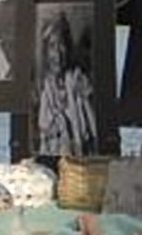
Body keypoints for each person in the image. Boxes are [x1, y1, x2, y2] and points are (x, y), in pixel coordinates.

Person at [35, 10, 98, 156]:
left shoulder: (77, 79)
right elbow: (44, 130)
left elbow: (94, 130)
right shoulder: (46, 87)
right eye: (52, 46)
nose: (57, 53)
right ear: (46, 51)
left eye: (62, 45)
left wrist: (84, 97)